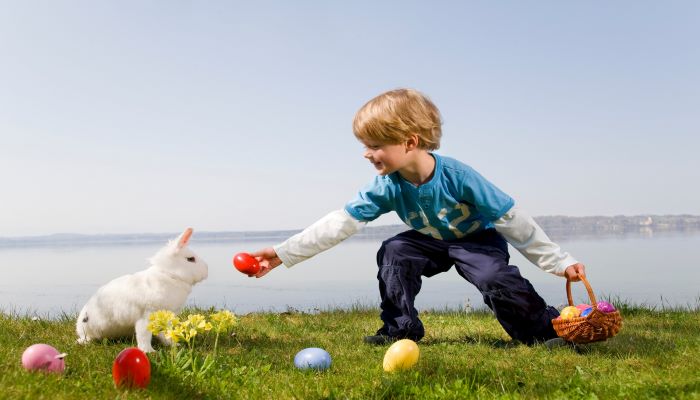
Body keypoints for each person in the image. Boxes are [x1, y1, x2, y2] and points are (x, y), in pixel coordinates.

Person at [250, 88, 585, 346]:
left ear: (409, 142)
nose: (366, 153)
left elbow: (512, 219)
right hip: (428, 241)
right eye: (364, 144)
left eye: (374, 145)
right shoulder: (385, 186)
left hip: (477, 241)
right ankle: (400, 328)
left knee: (494, 278)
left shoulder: (459, 176)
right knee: (395, 250)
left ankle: (541, 330)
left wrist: (559, 261)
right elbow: (341, 222)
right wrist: (283, 253)